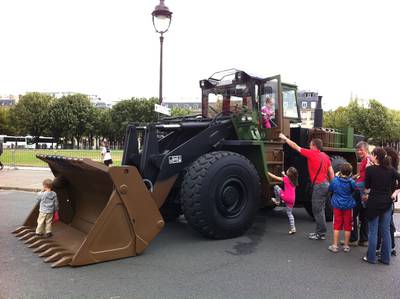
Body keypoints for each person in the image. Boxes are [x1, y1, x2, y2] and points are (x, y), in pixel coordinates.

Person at [279, 133, 334, 240]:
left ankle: (320, 233)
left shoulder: (311, 153)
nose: (309, 146)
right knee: (321, 209)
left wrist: (285, 138)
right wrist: (333, 185)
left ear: (314, 146)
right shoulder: (325, 156)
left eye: (310, 145)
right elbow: (331, 172)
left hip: (318, 186)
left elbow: (295, 146)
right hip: (326, 184)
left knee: (317, 210)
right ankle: (320, 232)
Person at [363, 147, 400, 265]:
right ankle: (386, 258)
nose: (371, 156)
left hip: (374, 203)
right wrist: (395, 192)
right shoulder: (391, 170)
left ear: (375, 156)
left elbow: (367, 187)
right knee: (385, 231)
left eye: (372, 154)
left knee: (373, 231)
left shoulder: (370, 170)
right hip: (387, 203)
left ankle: (371, 258)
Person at [328, 163, 357, 253]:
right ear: (350, 172)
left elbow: (330, 189)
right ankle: (346, 246)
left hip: (337, 205)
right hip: (348, 205)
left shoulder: (335, 181)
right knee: (348, 226)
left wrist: (336, 177)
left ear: (340, 171)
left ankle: (335, 245)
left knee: (336, 225)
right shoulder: (351, 182)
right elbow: (354, 190)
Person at [349, 141, 373, 247]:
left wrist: (366, 192)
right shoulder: (366, 159)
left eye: (361, 150)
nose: (359, 152)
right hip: (362, 190)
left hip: (361, 191)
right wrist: (353, 177)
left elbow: (370, 176)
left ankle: (353, 239)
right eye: (357, 150)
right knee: (364, 216)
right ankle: (363, 240)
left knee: (352, 214)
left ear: (366, 150)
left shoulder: (368, 160)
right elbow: (362, 174)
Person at [376, 146, 399, 256]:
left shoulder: (388, 170)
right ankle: (390, 247)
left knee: (385, 225)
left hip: (385, 200)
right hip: (389, 199)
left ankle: (387, 248)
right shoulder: (393, 169)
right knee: (388, 224)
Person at [268, 167, 299, 234]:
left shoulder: (286, 179)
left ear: (289, 174)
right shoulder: (294, 181)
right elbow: (288, 179)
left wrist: (268, 173)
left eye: (287, 170)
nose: (287, 170)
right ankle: (293, 228)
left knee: (276, 187)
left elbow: (275, 177)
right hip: (292, 199)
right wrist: (284, 174)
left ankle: (277, 200)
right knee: (289, 213)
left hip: (286, 197)